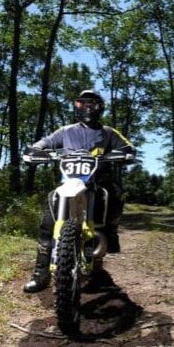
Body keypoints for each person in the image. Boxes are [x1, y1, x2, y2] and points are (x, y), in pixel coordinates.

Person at [23, 89, 135, 293]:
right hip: (69, 184)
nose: (87, 108)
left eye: (92, 104)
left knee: (114, 198)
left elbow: (128, 147)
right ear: (77, 106)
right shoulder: (65, 131)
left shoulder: (108, 132)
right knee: (48, 224)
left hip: (98, 183)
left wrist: (121, 154)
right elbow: (45, 142)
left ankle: (103, 255)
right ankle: (40, 274)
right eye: (82, 104)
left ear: (100, 107)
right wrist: (35, 150)